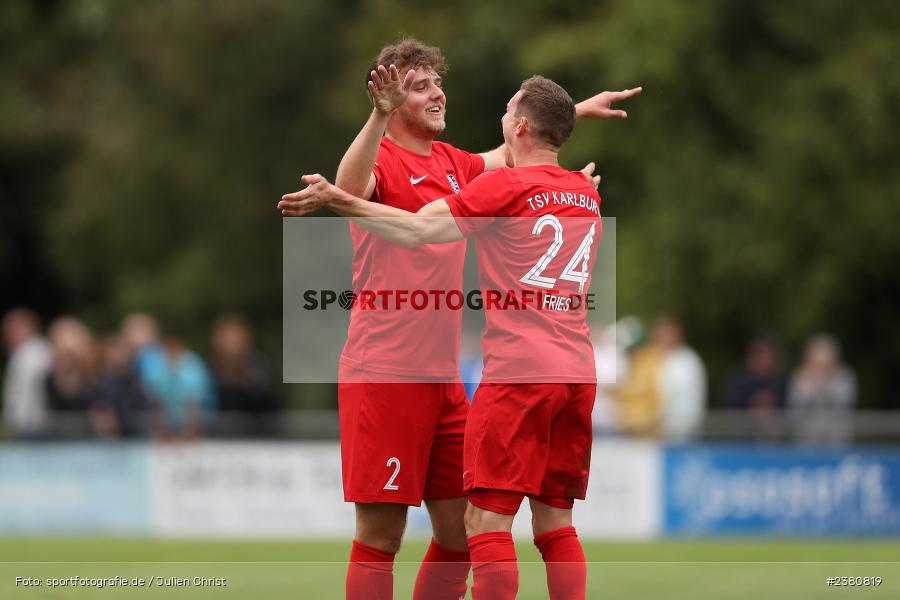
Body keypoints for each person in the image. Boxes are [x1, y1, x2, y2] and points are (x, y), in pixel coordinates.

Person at [292, 37, 640, 600]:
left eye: (437, 81)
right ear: (388, 99)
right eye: (420, 86)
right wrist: (375, 121)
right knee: (381, 535)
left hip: (445, 379)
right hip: (385, 371)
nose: (437, 92)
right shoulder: (382, 156)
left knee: (461, 535)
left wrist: (572, 111)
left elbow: (520, 148)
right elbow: (349, 192)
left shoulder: (455, 163)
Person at [787, 334, 856, 445]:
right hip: (807, 440)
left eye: (825, 362)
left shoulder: (844, 376)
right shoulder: (799, 376)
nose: (821, 367)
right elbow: (795, 408)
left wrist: (825, 384)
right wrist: (812, 386)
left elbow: (844, 404)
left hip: (836, 439)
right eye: (816, 362)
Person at [1, 308, 52, 438]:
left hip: (32, 426)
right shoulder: (41, 349)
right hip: (34, 425)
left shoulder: (28, 352)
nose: (6, 336)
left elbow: (21, 396)